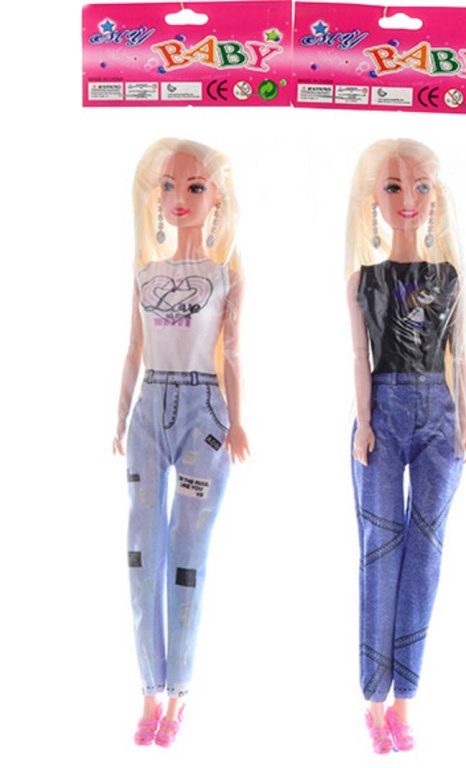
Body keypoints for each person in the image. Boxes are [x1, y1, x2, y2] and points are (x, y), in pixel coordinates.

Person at [114, 138, 249, 748]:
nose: (179, 198)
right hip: (149, 407)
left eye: (195, 187)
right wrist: (120, 415)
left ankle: (179, 694)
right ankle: (149, 689)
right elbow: (133, 349)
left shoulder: (226, 276)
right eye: (169, 185)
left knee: (187, 557)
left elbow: (234, 353)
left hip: (203, 412)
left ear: (217, 197)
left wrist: (237, 420)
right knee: (142, 549)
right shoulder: (145, 275)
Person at [345, 139, 466, 754]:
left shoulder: (449, 278)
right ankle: (374, 697)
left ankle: (404, 701)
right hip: (384, 409)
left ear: (434, 197)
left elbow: (459, 356)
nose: (408, 200)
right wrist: (364, 420)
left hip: (439, 413)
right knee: (380, 548)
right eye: (393, 187)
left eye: (420, 187)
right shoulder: (364, 280)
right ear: (374, 198)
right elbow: (359, 358)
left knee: (425, 550)